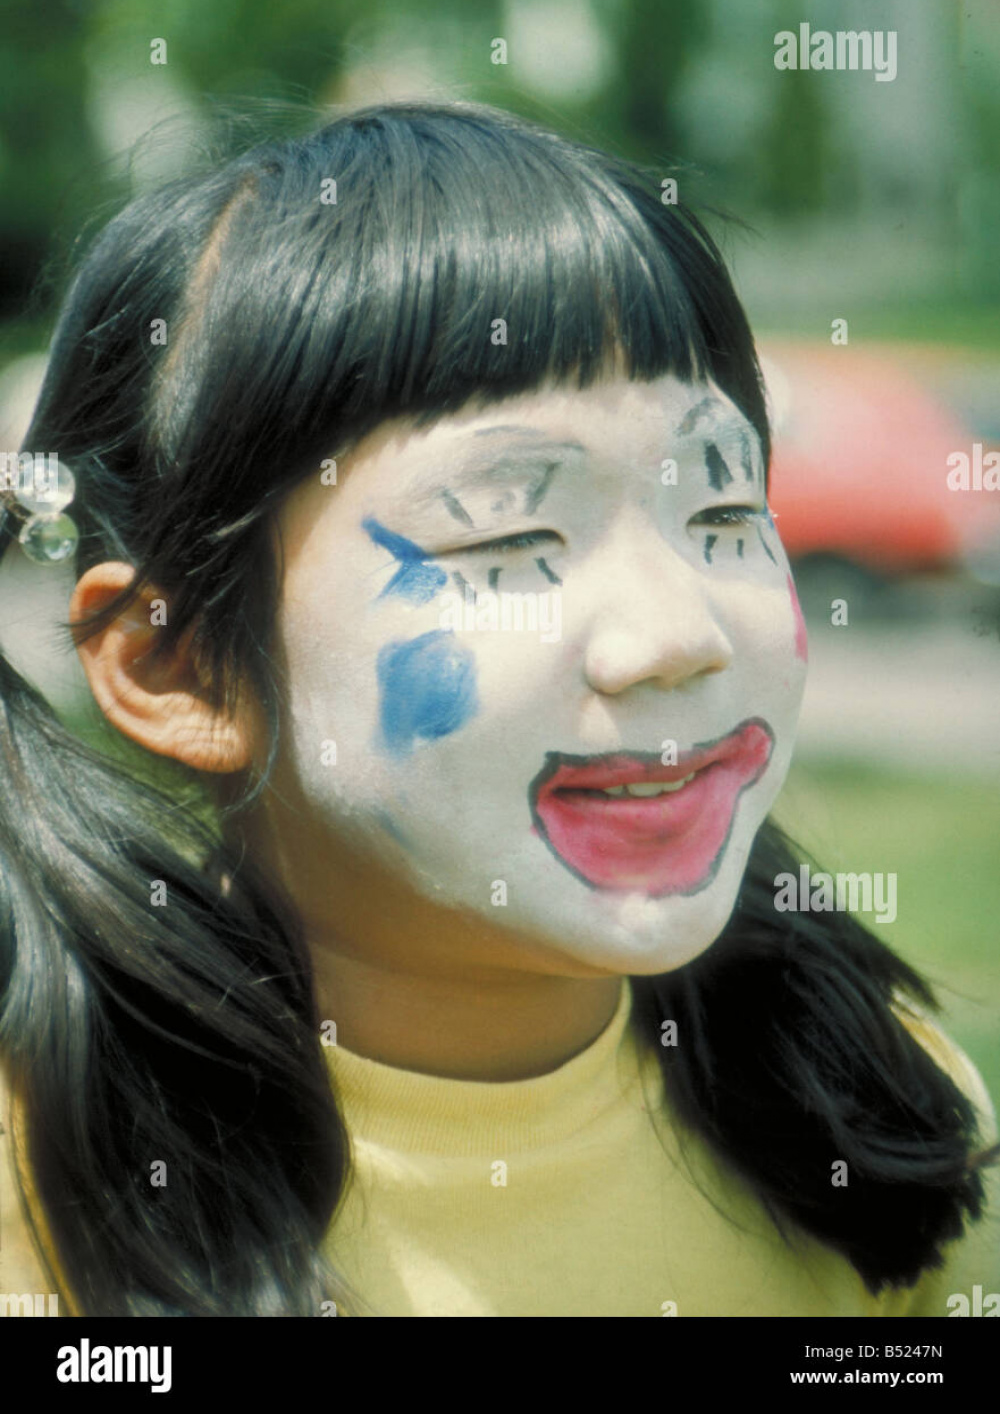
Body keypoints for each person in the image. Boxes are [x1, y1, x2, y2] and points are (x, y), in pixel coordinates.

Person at [0, 100, 996, 1318]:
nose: (675, 635)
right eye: (513, 534)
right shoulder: (43, 1204)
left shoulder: (871, 1104)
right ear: (183, 669)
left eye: (723, 515)